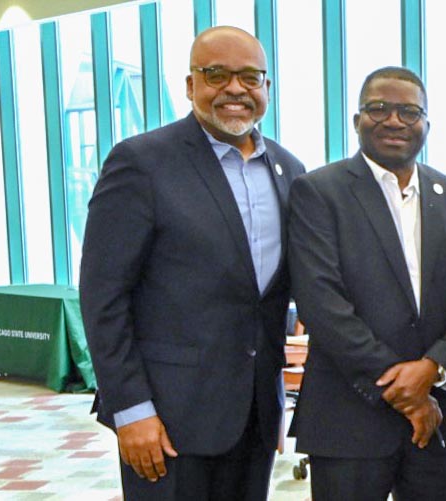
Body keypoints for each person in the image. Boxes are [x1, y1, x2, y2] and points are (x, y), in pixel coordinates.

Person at [79, 26, 304, 500]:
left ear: (267, 87)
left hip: (255, 417)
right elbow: (103, 297)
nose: (235, 89)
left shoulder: (290, 171)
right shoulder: (141, 163)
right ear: (190, 86)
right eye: (216, 74)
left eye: (249, 77)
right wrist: (131, 409)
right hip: (166, 420)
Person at [286, 66, 446, 501]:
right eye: (378, 109)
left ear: (427, 124)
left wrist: (432, 368)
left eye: (409, 112)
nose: (394, 120)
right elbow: (321, 302)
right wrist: (406, 392)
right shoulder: (318, 192)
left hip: (439, 426)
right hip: (348, 422)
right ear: (356, 120)